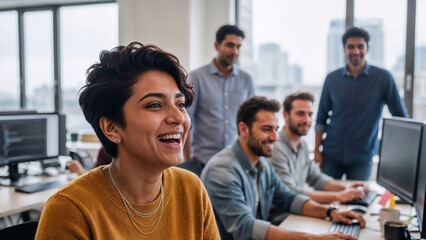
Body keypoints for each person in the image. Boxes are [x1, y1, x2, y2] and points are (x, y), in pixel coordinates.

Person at [36, 42, 220, 239]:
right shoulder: (70, 210)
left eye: (181, 104)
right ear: (112, 128)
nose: (179, 118)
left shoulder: (191, 188)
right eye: (156, 105)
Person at [201, 96, 365, 240]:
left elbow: (287, 198)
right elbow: (245, 227)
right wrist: (312, 238)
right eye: (267, 129)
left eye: (276, 129)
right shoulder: (222, 171)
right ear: (243, 129)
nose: (274, 137)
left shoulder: (262, 162)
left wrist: (331, 212)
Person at [314, 27, 408, 180]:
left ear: (367, 48)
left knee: (358, 201)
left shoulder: (383, 78)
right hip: (331, 153)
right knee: (327, 198)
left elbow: (400, 116)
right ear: (344, 49)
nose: (356, 51)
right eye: (351, 46)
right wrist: (317, 151)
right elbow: (321, 118)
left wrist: (399, 152)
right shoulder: (332, 79)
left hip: (362, 157)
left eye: (360, 46)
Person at [271, 91, 368, 204]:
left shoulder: (303, 145)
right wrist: (338, 196)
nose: (306, 120)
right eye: (300, 114)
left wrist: (346, 188)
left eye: (310, 114)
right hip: (283, 216)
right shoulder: (276, 148)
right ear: (285, 115)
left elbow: (316, 178)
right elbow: (291, 192)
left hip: (298, 210)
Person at [182, 25, 255, 174]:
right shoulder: (197, 77)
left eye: (238, 46)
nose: (234, 51)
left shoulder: (246, 80)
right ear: (217, 45)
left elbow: (251, 121)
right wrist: (188, 159)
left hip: (235, 162)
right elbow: (187, 121)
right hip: (202, 162)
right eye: (230, 45)